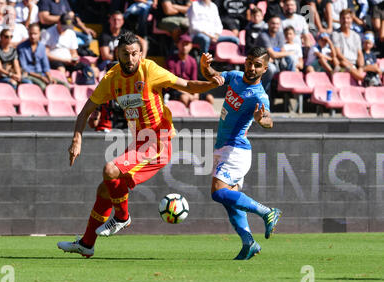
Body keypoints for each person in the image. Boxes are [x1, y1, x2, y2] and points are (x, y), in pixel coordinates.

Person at [57, 31, 224, 258]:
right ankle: (87, 243)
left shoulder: (150, 70)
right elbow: (86, 111)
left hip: (158, 143)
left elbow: (187, 85)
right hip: (139, 143)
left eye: (135, 54)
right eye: (125, 54)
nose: (131, 59)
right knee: (104, 189)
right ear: (118, 54)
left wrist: (210, 84)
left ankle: (122, 217)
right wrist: (77, 138)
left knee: (110, 170)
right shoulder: (111, 78)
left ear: (141, 54)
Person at [199, 46, 282, 260]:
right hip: (224, 147)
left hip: (236, 149)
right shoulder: (235, 77)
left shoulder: (259, 96)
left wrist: (260, 119)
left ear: (265, 69)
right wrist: (206, 67)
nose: (252, 68)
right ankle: (249, 243)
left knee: (218, 192)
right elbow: (215, 77)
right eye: (250, 62)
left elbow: (269, 121)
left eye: (257, 65)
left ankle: (266, 212)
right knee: (230, 201)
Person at [41, 13, 98, 80]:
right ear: (58, 22)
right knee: (61, 69)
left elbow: (74, 52)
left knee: (92, 69)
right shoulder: (48, 33)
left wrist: (74, 59)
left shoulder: (70, 33)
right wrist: (64, 60)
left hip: (69, 61)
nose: (65, 29)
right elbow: (46, 54)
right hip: (55, 61)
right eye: (63, 27)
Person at [165, 33, 214, 106]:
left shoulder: (192, 61)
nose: (184, 47)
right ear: (178, 45)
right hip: (175, 89)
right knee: (185, 98)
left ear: (191, 46)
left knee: (210, 98)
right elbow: (173, 83)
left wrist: (196, 93)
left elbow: (194, 80)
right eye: (182, 44)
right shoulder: (170, 61)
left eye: (187, 44)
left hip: (190, 88)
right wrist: (189, 94)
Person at [18, 23, 68, 90]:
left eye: (35, 34)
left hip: (42, 74)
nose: (33, 36)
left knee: (65, 85)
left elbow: (45, 66)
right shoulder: (21, 47)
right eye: (31, 34)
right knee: (43, 86)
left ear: (39, 34)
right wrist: (41, 77)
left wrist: (49, 77)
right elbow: (24, 67)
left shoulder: (41, 47)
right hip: (30, 75)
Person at [255, 15, 295, 93]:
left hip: (274, 60)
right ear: (268, 24)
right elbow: (273, 54)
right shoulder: (263, 35)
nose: (275, 26)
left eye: (277, 24)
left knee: (291, 59)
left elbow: (281, 51)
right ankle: (263, 92)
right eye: (273, 23)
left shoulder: (280, 34)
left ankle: (288, 88)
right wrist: (289, 52)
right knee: (271, 68)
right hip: (259, 61)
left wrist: (279, 55)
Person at [332, 9, 364, 81]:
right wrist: (350, 64)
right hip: (343, 65)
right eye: (343, 18)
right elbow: (338, 53)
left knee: (375, 68)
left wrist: (361, 67)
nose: (346, 20)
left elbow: (360, 54)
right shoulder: (335, 34)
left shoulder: (356, 35)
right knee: (344, 64)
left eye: (348, 18)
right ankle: (362, 79)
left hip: (355, 64)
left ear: (352, 20)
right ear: (340, 20)